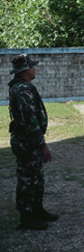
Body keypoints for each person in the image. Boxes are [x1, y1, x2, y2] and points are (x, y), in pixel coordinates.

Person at [8, 54, 59, 230]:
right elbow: (30, 120)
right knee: (27, 180)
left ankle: (37, 211)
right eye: (32, 66)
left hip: (29, 141)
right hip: (26, 142)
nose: (34, 69)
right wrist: (42, 144)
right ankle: (26, 219)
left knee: (37, 178)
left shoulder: (23, 87)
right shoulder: (21, 90)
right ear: (25, 71)